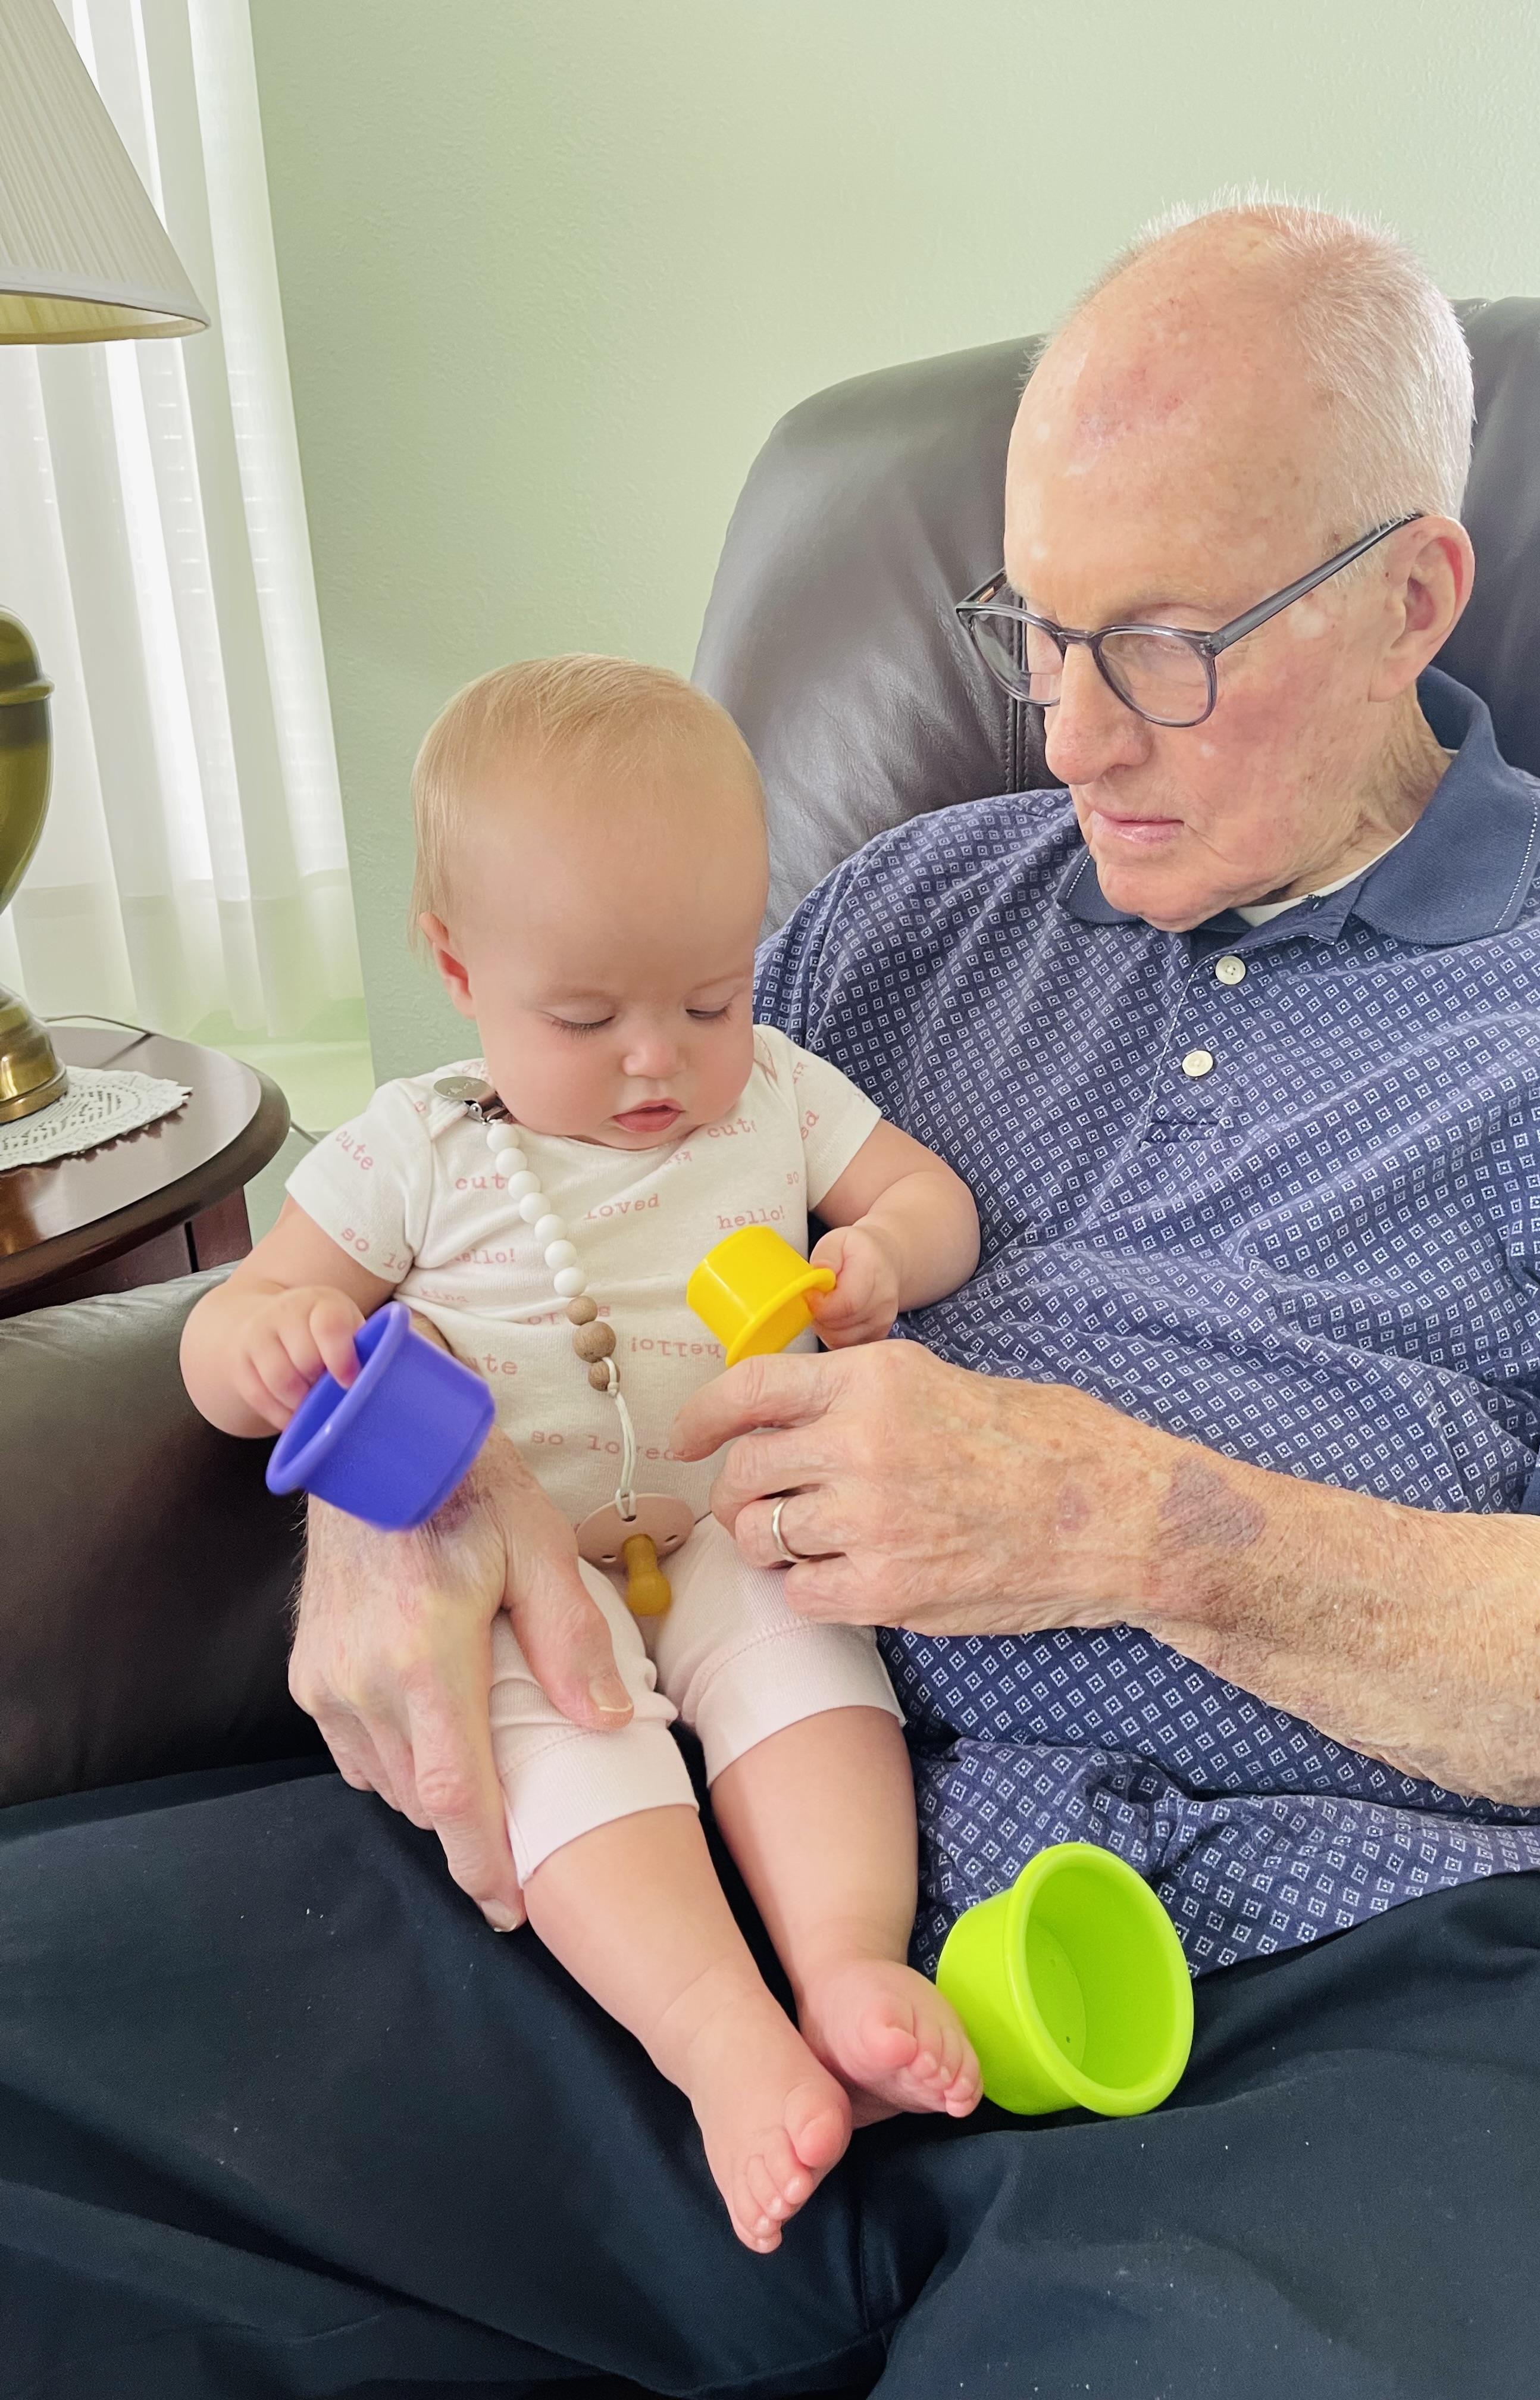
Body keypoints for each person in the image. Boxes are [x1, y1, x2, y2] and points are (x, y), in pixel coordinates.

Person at [5, 199, 1540, 2398]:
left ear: (1412, 594)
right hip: (703, 1870)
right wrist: (399, 1496)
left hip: (1368, 1973)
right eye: (1032, 635)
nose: (1065, 741)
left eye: (1156, 645)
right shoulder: (901, 910)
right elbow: (496, 1218)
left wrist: (1144, 1528)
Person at [178, 656, 983, 2250]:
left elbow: (934, 1199)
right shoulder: (414, 1147)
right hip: (515, 1560)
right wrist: (262, 1346)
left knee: (820, 1686)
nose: (656, 1064)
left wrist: (884, 1252)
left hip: (726, 1514)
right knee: (564, 1746)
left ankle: (846, 1966)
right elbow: (241, 1319)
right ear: (457, 970)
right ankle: (719, 2041)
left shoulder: (779, 1100)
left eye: (708, 999)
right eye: (586, 1017)